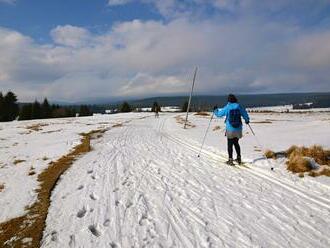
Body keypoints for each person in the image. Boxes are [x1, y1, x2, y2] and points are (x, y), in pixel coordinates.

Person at [213, 94, 250, 165]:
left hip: (230, 129)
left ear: (229, 100)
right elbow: (244, 113)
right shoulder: (239, 106)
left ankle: (230, 160)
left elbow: (219, 114)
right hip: (238, 129)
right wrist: (247, 120)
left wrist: (215, 110)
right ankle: (239, 158)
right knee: (236, 143)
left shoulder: (228, 107)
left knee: (230, 144)